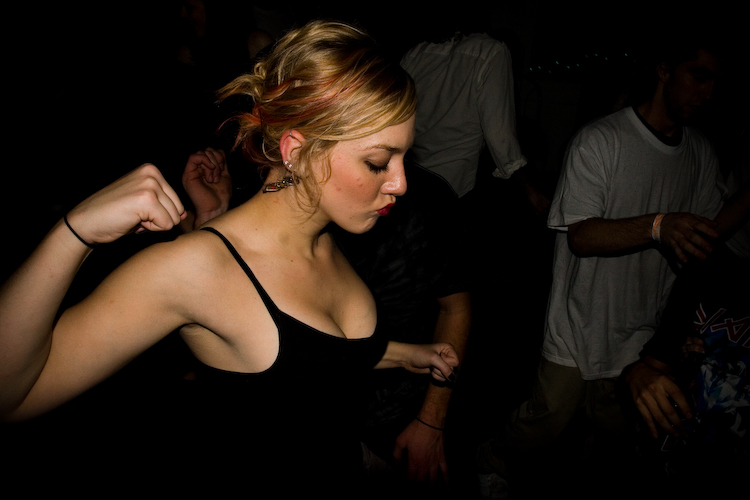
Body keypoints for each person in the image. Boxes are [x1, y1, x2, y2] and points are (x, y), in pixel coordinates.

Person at [0, 20, 459, 497]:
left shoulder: (324, 235)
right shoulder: (193, 269)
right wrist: (73, 233)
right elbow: (12, 398)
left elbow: (312, 359)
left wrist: (406, 355)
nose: (400, 183)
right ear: (298, 153)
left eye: (404, 158)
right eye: (378, 163)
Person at [476, 27, 727, 498]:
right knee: (548, 418)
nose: (708, 93)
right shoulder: (600, 141)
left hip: (642, 330)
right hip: (580, 320)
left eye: (716, 82)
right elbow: (581, 236)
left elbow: (707, 243)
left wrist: (685, 326)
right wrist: (659, 226)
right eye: (699, 76)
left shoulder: (701, 154)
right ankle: (492, 460)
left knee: (613, 428)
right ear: (664, 70)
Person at [400, 30, 549, 215]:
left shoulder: (416, 53)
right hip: (455, 188)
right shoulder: (491, 52)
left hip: (411, 180)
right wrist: (531, 191)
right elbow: (500, 138)